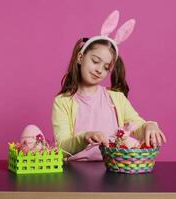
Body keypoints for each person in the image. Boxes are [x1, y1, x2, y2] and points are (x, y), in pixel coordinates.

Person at [51, 10, 167, 161]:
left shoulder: (116, 98)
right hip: (75, 171)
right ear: (80, 57)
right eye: (95, 61)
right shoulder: (62, 102)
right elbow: (62, 147)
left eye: (106, 67)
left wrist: (149, 126)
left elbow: (137, 126)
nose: (99, 70)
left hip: (114, 167)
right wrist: (84, 137)